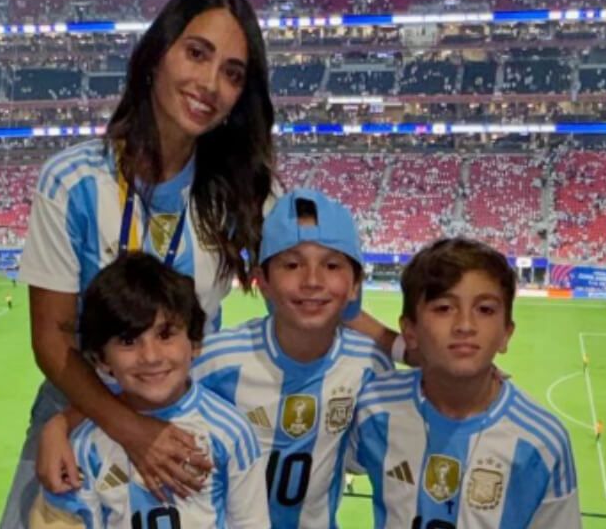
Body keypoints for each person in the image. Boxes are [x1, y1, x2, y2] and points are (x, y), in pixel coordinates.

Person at [0, 0, 279, 529]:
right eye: (197, 54)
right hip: (73, 420)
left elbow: (316, 281)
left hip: (184, 418)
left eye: (232, 73)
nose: (210, 84)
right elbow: (51, 336)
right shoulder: (73, 181)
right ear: (156, 56)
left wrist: (399, 339)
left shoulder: (242, 194)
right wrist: (126, 429)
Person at [39, 190, 392, 529]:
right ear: (261, 281)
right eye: (292, 264)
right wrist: (61, 424)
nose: (312, 281)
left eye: (331, 265)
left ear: (356, 284)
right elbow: (135, 387)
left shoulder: (369, 365)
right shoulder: (219, 357)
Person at [350, 238, 580, 528]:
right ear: (410, 331)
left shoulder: (542, 442)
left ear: (506, 333)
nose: (465, 326)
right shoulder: (373, 408)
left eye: (484, 309)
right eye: (444, 307)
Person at [32, 252, 268, 528]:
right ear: (101, 359)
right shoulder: (84, 446)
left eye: (165, 335)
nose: (151, 357)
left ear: (194, 342)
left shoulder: (231, 432)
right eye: (129, 341)